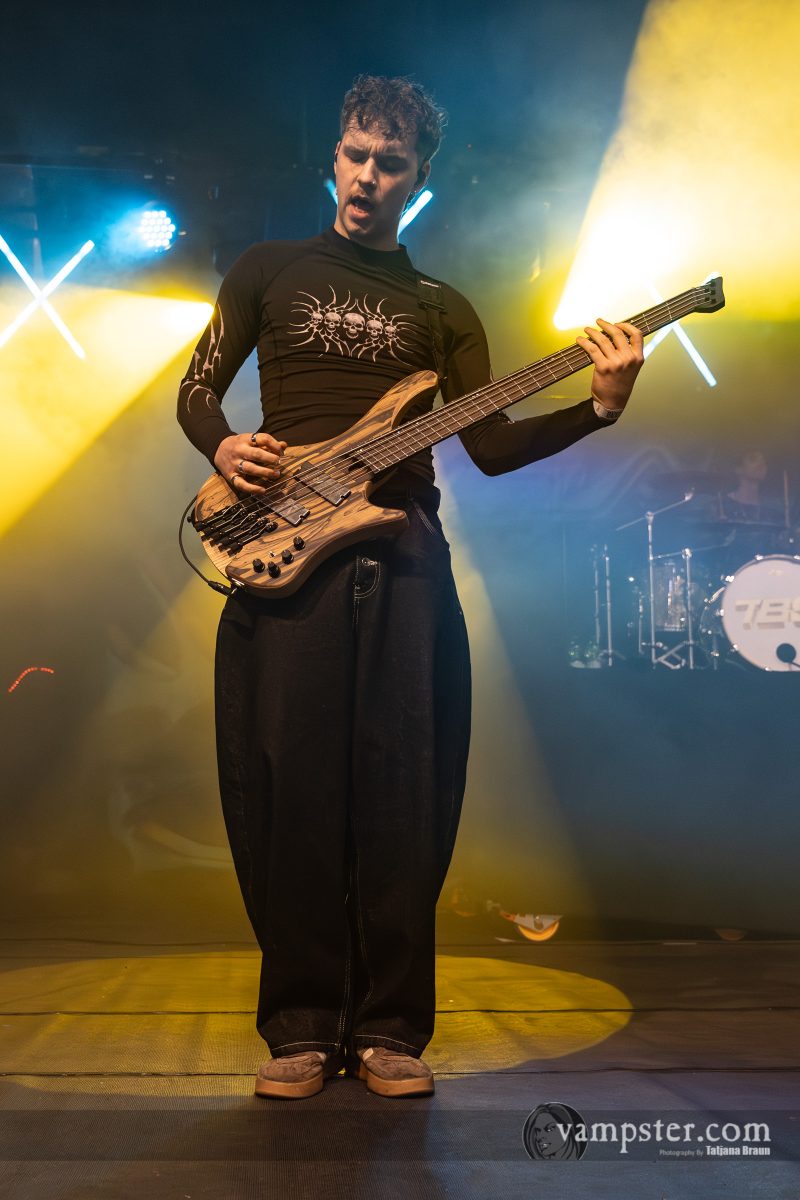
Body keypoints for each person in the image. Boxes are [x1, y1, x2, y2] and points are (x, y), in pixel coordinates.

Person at [177, 74, 644, 1100]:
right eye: (354, 155)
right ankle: (301, 1028)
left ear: (417, 176)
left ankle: (391, 1028)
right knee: (292, 792)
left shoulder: (444, 308)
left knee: (405, 790)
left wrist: (599, 409)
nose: (366, 177)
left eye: (389, 164)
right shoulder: (267, 269)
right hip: (287, 551)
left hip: (403, 561)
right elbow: (197, 386)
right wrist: (224, 447)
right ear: (332, 156)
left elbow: (493, 448)